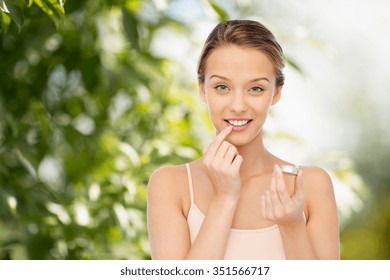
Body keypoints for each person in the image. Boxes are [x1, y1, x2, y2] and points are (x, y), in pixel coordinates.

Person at [147, 19, 339, 260]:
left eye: (255, 89)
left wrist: (292, 227)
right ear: (202, 89)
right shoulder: (170, 185)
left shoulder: (311, 186)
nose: (238, 106)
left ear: (276, 92)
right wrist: (224, 198)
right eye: (222, 87)